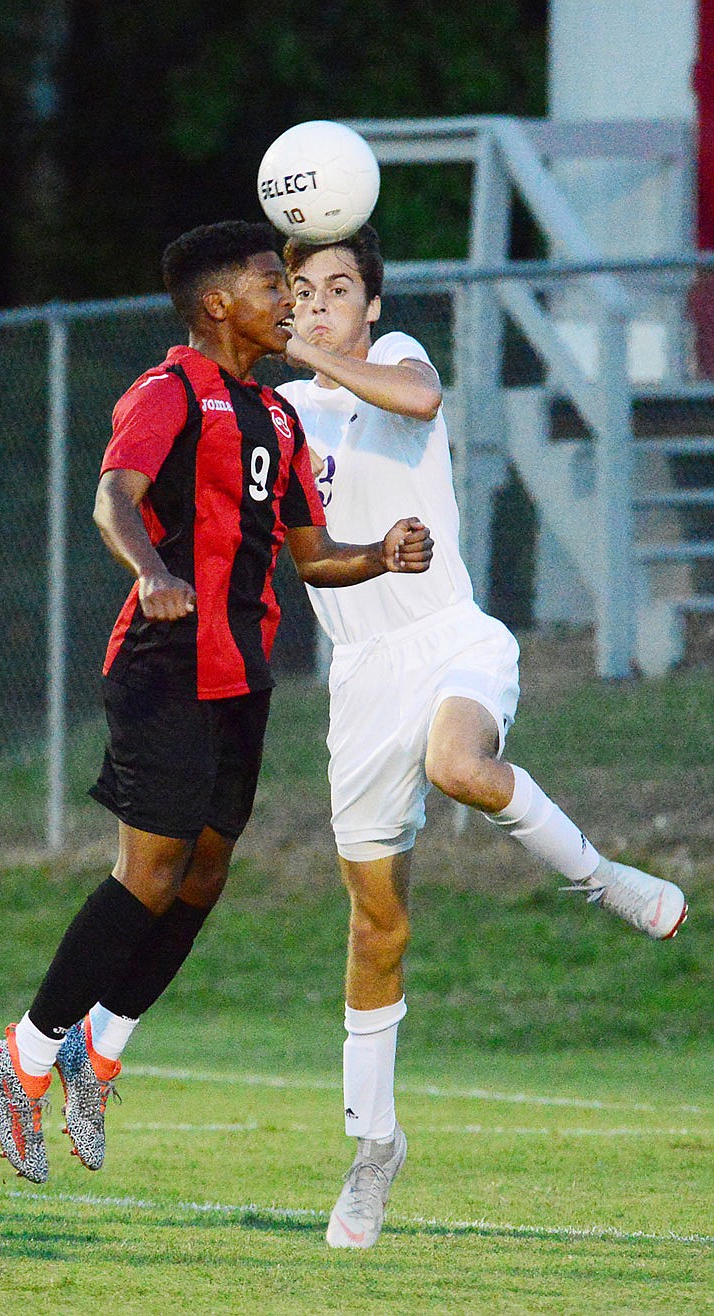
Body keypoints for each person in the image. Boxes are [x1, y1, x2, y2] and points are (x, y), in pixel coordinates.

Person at [0, 220, 433, 1185]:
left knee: (206, 875)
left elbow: (311, 559)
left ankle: (96, 1052)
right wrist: (149, 570)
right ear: (221, 304)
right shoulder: (168, 390)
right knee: (151, 868)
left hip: (241, 676)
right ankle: (17, 1059)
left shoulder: (282, 418)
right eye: (274, 284)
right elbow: (113, 496)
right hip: (164, 660)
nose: (290, 301)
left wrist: (378, 554)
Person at [277, 223, 688, 1250]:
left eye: (338, 289)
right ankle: (374, 1147)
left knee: (457, 763)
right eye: (301, 291)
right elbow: (309, 558)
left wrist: (308, 352)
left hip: (449, 635)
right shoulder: (278, 419)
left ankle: (602, 878)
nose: (319, 304)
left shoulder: (398, 356)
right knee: (376, 929)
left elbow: (415, 401)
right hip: (360, 679)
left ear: (370, 307)